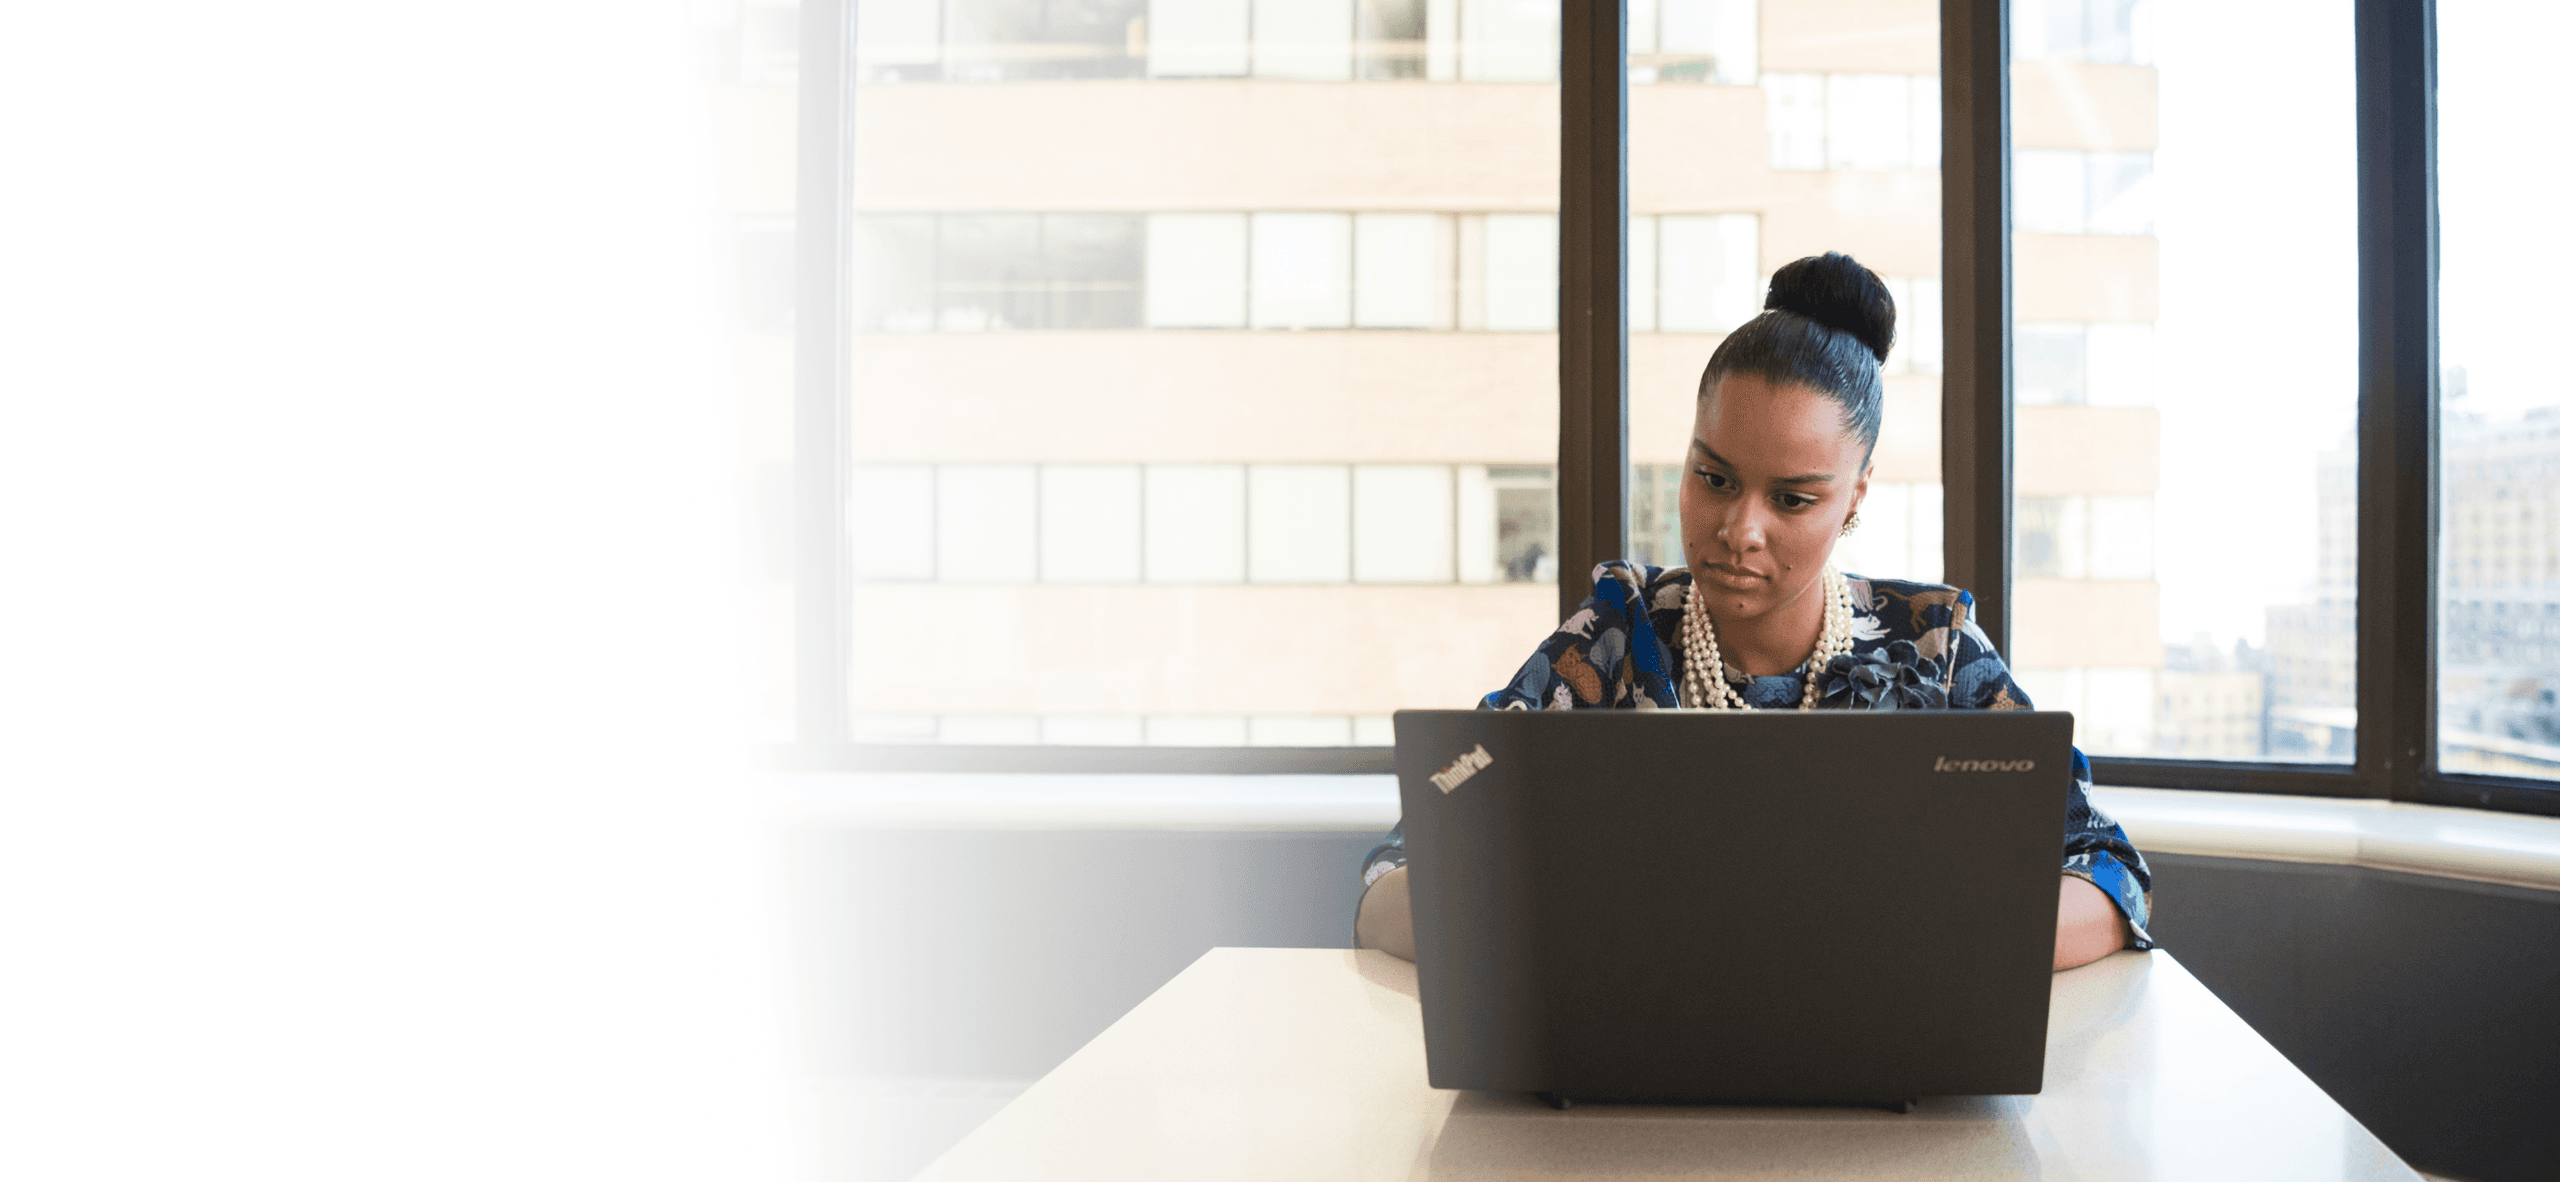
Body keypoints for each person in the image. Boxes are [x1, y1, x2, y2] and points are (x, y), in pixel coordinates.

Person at [1353, 252, 2153, 972]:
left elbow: (2109, 875)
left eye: (1794, 499)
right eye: (1716, 479)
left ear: (1855, 497)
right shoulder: (1614, 638)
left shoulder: (1934, 650)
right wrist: (1566, 922)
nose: (1740, 532)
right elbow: (1394, 880)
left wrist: (1918, 936)